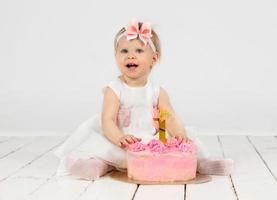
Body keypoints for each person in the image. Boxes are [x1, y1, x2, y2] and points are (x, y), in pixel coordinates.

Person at [54, 20, 234, 181]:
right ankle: (93, 167)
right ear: (116, 57)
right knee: (109, 154)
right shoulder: (114, 90)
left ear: (153, 59)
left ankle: (201, 163)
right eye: (124, 51)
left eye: (139, 51)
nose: (130, 56)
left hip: (152, 139)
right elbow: (107, 120)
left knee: (187, 140)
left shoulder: (157, 91)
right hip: (122, 140)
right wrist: (119, 138)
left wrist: (178, 135)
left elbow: (168, 116)